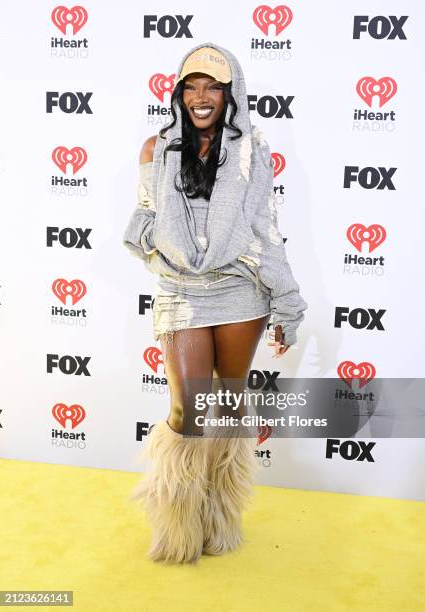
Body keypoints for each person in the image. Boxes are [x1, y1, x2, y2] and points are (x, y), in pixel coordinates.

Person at [123, 42, 308, 564]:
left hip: (239, 290)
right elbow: (143, 216)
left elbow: (264, 228)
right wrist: (156, 247)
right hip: (182, 290)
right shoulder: (154, 149)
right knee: (187, 415)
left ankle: (218, 521)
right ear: (179, 94)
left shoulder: (252, 149)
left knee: (225, 408)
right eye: (192, 86)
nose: (201, 96)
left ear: (230, 94)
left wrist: (286, 299)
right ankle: (178, 531)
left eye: (213, 87)